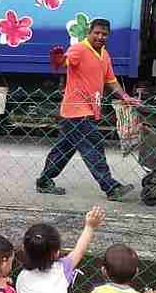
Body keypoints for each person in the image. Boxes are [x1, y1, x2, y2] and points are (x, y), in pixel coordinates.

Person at [36, 18, 138, 200]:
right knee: (94, 147)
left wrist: (125, 97)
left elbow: (111, 81)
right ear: (89, 33)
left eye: (104, 34)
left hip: (85, 111)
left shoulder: (105, 55)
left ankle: (44, 181)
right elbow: (65, 63)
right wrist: (58, 60)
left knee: (63, 149)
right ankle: (111, 188)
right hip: (77, 110)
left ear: (108, 36)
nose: (100, 37)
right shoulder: (79, 49)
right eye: (96, 33)